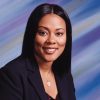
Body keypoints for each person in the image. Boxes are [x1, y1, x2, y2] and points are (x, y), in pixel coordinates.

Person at [0, 3, 76, 100]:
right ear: (32, 35)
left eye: (59, 33)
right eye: (43, 33)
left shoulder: (65, 76)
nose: (51, 40)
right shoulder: (11, 75)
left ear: (67, 37)